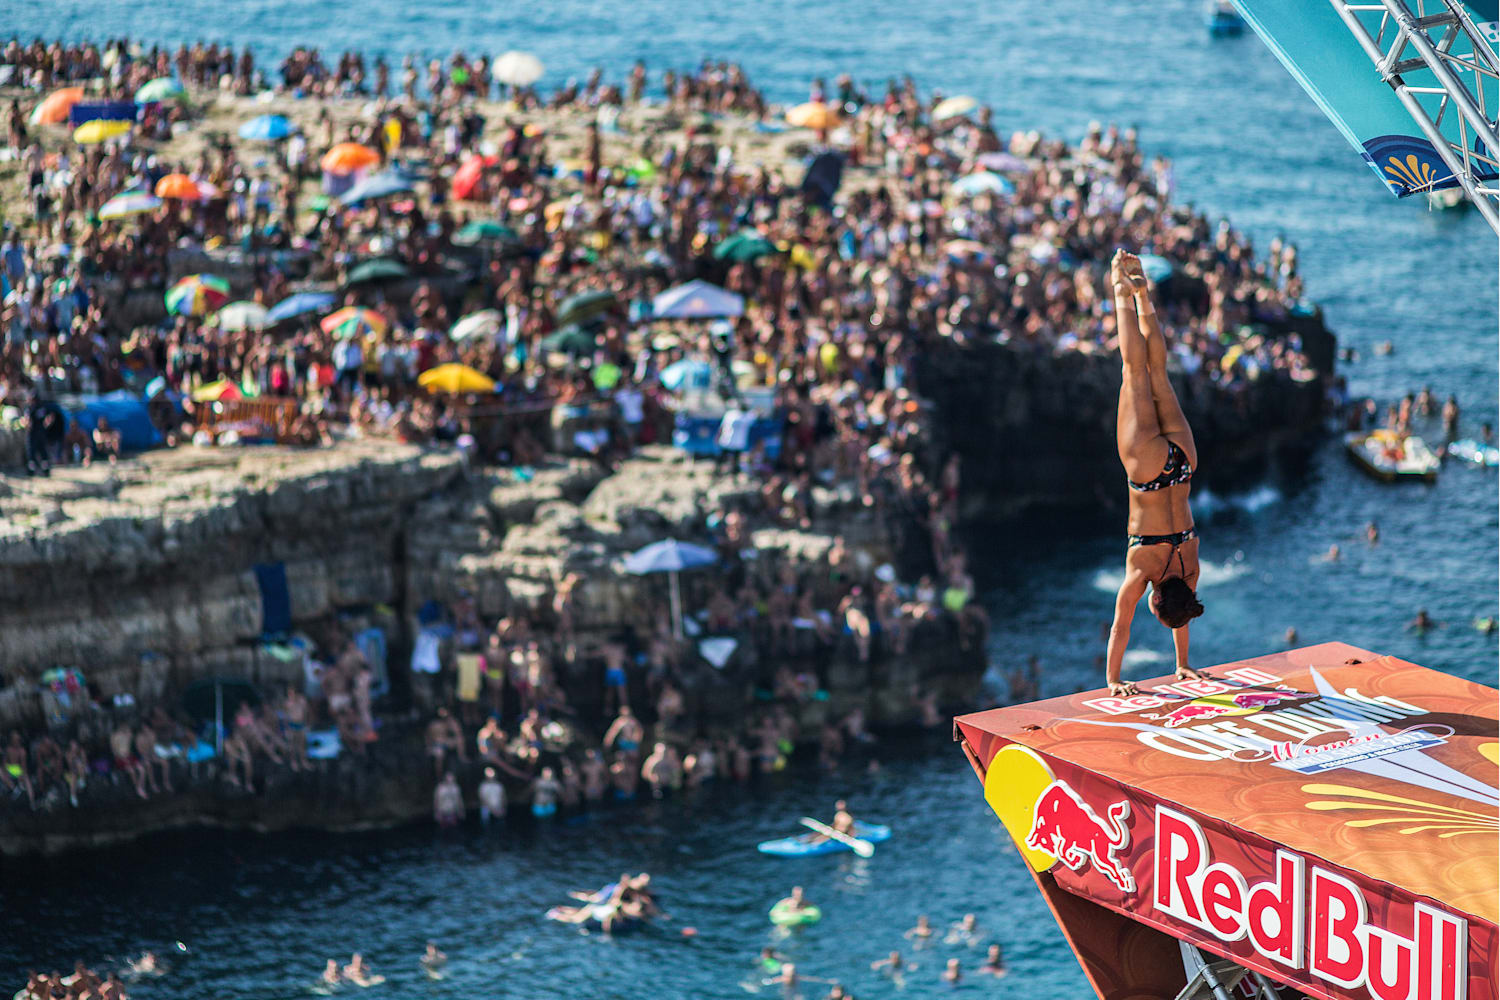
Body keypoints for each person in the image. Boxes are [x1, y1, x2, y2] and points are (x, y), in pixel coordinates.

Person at [1105, 251, 1205, 696]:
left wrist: (1184, 663)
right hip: (1147, 469)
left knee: (1159, 373)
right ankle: (1119, 288)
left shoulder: (1190, 567)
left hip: (1183, 463)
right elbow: (1119, 627)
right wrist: (1113, 680)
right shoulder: (1143, 570)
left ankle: (1144, 298)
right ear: (1156, 597)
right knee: (1134, 372)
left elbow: (1181, 616)